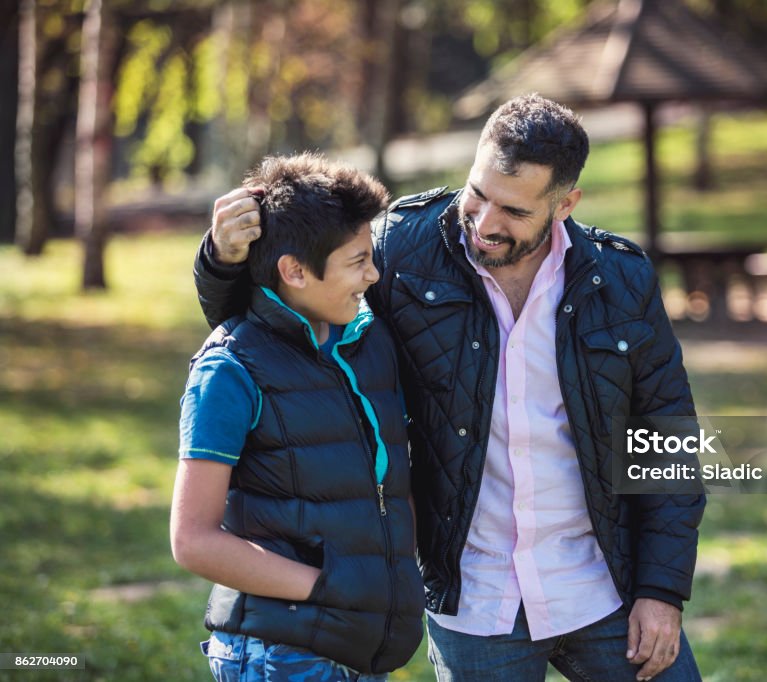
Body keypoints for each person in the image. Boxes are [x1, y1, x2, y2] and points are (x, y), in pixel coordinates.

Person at [194, 95, 705, 681]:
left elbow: (668, 437)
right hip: (475, 603)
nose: (486, 223)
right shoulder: (398, 249)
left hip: (605, 589)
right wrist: (221, 261)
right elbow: (274, 322)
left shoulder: (623, 278)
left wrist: (662, 589)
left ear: (565, 204)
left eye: (513, 210)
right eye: (478, 193)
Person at [172, 152, 423, 681]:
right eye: (357, 262)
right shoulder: (228, 372)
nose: (373, 275)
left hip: (358, 651)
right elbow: (192, 540)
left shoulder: (364, 342)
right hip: (281, 657)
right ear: (294, 271)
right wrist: (326, 588)